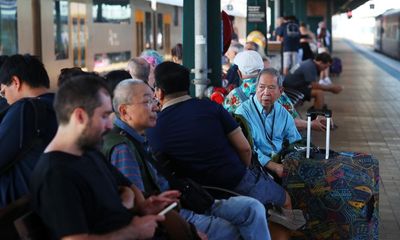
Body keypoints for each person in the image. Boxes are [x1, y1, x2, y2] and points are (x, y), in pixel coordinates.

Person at [147, 61, 306, 232]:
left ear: (160, 92)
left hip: (199, 196)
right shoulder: (211, 107)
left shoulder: (154, 128)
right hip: (237, 179)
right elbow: (245, 148)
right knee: (283, 199)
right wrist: (243, 173)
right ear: (188, 86)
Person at [103, 79, 271, 240]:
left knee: (253, 208)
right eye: (147, 102)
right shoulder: (123, 148)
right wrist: (185, 227)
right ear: (124, 111)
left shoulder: (141, 137)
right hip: (173, 215)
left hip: (188, 202)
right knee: (236, 231)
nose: (155, 107)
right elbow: (139, 207)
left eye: (154, 100)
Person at [30, 74, 180, 239]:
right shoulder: (56, 173)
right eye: (103, 116)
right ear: (79, 116)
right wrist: (133, 231)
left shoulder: (88, 153)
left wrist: (142, 208)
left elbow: (128, 189)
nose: (109, 125)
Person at [0, 54, 57, 207]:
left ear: (16, 82)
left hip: (21, 212)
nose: (6, 100)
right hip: (53, 200)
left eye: (4, 92)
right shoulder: (63, 105)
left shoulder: (25, 108)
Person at [223, 50, 328, 132]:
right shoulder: (277, 92)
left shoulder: (232, 97)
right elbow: (293, 122)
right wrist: (310, 124)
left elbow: (226, 126)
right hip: (274, 152)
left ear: (240, 74)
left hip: (244, 152)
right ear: (262, 69)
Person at [235, 68, 302, 177]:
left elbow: (294, 141)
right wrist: (274, 167)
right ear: (256, 88)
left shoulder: (282, 113)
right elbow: (247, 149)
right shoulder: (243, 113)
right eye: (261, 87)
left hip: (281, 163)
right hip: (253, 168)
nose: (266, 92)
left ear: (280, 91)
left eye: (271, 88)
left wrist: (292, 160)